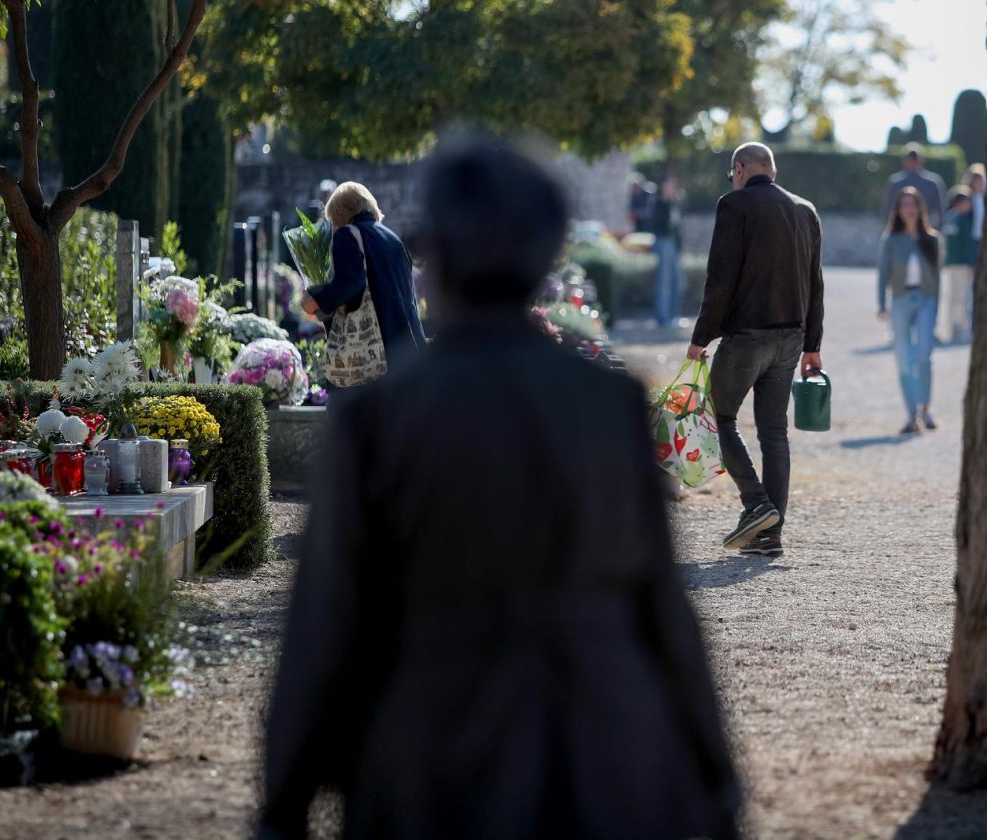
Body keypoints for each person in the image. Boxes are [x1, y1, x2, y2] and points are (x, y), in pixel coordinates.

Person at [264, 137, 740, 840]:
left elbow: (324, 625)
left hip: (431, 759)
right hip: (601, 752)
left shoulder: (376, 417)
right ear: (543, 261)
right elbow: (661, 607)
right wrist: (715, 780)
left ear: (439, 265)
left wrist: (284, 807)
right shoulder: (605, 405)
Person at [687, 142, 824, 559]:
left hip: (747, 334)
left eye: (734, 174)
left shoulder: (734, 205)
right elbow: (816, 282)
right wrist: (813, 344)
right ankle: (771, 534)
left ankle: (756, 504)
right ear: (773, 170)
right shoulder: (806, 210)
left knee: (715, 416)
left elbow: (721, 277)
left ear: (740, 168)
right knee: (774, 434)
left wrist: (701, 336)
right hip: (792, 338)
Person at [301, 182, 426, 370]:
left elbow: (351, 283)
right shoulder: (393, 239)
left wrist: (316, 299)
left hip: (372, 348)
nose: (333, 227)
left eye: (333, 220)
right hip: (405, 343)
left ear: (341, 213)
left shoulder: (348, 234)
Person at [877, 187, 941, 434]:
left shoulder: (932, 239)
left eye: (913, 204)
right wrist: (882, 302)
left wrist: (936, 307)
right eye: (904, 204)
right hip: (901, 300)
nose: (909, 209)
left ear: (920, 208)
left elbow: (937, 278)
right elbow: (883, 273)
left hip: (926, 300)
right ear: (898, 210)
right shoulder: (891, 240)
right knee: (903, 358)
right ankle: (911, 414)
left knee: (925, 355)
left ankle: (926, 408)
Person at [938, 186, 976, 344]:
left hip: (953, 263)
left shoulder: (951, 218)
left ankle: (953, 329)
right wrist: (972, 262)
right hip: (961, 263)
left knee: (955, 297)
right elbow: (964, 245)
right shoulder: (960, 219)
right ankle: (959, 330)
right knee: (961, 297)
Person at [882, 142, 947, 230]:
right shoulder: (933, 182)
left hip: (910, 231)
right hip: (918, 231)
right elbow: (939, 211)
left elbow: (888, 211)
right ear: (922, 160)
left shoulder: (895, 182)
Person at [652, 174, 685, 328]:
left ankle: (673, 316)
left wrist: (680, 248)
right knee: (663, 281)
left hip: (672, 244)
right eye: (670, 184)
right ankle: (663, 318)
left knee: (678, 281)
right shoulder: (658, 203)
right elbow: (658, 225)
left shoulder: (674, 203)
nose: (673, 187)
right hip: (663, 242)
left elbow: (677, 229)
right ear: (664, 186)